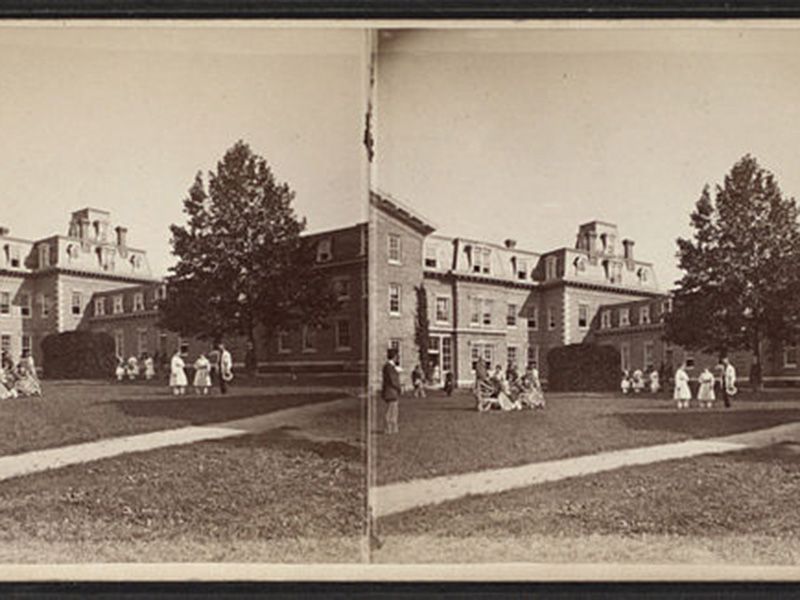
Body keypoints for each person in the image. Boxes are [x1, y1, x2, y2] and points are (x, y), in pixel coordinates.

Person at [382, 348, 401, 434]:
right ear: (394, 357)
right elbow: (393, 380)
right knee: (391, 410)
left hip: (391, 391)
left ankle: (393, 428)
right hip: (391, 391)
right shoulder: (389, 367)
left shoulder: (390, 367)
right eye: (397, 356)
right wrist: (399, 388)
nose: (398, 358)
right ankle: (388, 428)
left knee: (394, 410)